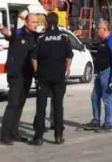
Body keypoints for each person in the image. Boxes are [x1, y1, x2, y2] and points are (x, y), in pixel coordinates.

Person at [32, 13, 72, 146]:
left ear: (47, 23)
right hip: (59, 76)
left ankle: (38, 137)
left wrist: (37, 72)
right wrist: (66, 70)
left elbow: (34, 58)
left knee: (41, 106)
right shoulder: (64, 37)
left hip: (43, 76)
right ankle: (58, 136)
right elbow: (69, 57)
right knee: (58, 105)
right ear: (57, 22)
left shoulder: (41, 37)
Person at [0, 12, 39, 145]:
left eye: (36, 22)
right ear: (26, 22)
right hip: (15, 74)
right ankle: (5, 135)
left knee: (20, 104)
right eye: (33, 22)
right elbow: (8, 33)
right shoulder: (18, 33)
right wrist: (1, 28)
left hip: (27, 75)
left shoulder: (34, 36)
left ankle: (14, 132)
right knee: (12, 104)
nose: (35, 24)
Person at [85, 20, 112, 132]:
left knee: (106, 98)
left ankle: (108, 123)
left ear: (104, 29)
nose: (96, 30)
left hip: (107, 72)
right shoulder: (102, 41)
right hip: (100, 73)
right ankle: (96, 121)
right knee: (94, 97)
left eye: (98, 28)